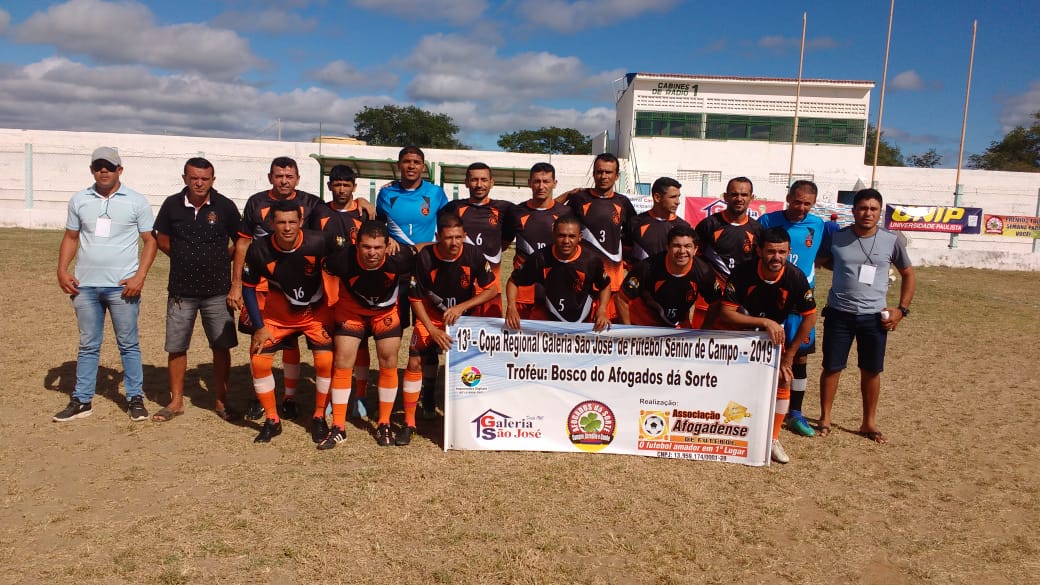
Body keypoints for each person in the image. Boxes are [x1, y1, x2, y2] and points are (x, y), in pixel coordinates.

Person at [54, 147, 158, 422]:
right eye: (98, 166)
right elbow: (71, 237)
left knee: (128, 344)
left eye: (109, 167)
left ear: (119, 170)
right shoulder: (79, 200)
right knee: (88, 345)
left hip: (122, 287)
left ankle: (135, 397)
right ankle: (82, 400)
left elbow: (151, 241)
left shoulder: (136, 201)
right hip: (85, 287)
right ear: (92, 170)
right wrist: (62, 270)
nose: (104, 171)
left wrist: (140, 276)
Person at [816, 189, 915, 444]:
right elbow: (822, 260)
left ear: (880, 211)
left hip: (874, 317)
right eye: (862, 208)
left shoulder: (892, 240)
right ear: (854, 210)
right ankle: (825, 418)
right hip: (839, 313)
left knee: (871, 370)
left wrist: (901, 310)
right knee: (831, 367)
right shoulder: (838, 238)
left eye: (873, 209)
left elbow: (908, 274)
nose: (867, 213)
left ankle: (868, 422)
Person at [231, 157, 325, 421]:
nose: (284, 180)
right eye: (279, 175)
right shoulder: (256, 202)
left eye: (289, 175)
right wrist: (236, 284)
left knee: (291, 340)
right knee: (259, 341)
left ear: (297, 178)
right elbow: (242, 245)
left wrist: (362, 202)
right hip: (260, 285)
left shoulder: (311, 203)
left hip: (295, 287)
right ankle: (260, 398)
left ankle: (290, 396)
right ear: (270, 177)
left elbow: (334, 218)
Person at [717, 227, 817, 464]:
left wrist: (789, 355)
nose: (776, 257)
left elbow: (810, 317)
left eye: (782, 252)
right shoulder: (742, 273)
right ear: (759, 251)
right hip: (742, 332)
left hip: (773, 338)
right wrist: (764, 321)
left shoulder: (795, 276)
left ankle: (772, 438)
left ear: (789, 251)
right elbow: (726, 314)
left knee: (784, 378)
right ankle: (729, 430)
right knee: (733, 380)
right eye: (771, 251)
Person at [152, 157, 241, 422]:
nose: (199, 183)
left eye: (205, 178)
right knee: (177, 347)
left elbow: (241, 240)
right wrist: (182, 258)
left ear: (213, 180)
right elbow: (161, 238)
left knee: (221, 346)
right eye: (194, 178)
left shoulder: (224, 206)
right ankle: (176, 401)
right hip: (181, 291)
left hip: (217, 291)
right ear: (185, 179)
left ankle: (221, 401)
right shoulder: (171, 205)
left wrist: (221, 259)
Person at [241, 200, 334, 443]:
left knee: (325, 362)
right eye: (281, 222)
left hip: (314, 315)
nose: (287, 227)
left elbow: (348, 258)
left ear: (301, 222)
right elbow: (249, 288)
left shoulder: (319, 241)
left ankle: (319, 416)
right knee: (259, 361)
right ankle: (272, 419)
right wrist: (259, 327)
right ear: (271, 223)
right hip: (277, 317)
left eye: (292, 221)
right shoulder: (259, 249)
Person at [405, 212, 499, 444]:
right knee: (416, 359)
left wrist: (463, 307)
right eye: (448, 238)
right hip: (432, 318)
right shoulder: (425, 257)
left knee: (470, 365)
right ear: (438, 236)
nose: (454, 243)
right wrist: (433, 330)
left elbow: (492, 290)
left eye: (458, 237)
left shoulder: (474, 255)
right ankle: (409, 422)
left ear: (464, 235)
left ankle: (468, 414)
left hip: (464, 319)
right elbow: (415, 299)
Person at [323, 221, 417, 448]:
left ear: (387, 245)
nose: (372, 253)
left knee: (388, 359)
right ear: (356, 244)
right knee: (343, 360)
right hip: (351, 310)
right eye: (366, 247)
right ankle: (338, 427)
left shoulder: (401, 257)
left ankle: (384, 423)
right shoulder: (341, 259)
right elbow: (324, 271)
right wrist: (331, 302)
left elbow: (423, 255)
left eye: (377, 247)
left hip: (385, 311)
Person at [757, 180, 825, 437]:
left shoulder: (818, 225)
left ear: (814, 203)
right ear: (788, 198)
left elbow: (824, 256)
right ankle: (761, 407)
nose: (801, 207)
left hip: (800, 301)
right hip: (770, 298)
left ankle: (795, 412)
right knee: (763, 350)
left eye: (807, 203)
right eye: (797, 201)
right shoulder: (767, 221)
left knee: (800, 356)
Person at [318, 164, 374, 418]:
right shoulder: (317, 212)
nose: (341, 189)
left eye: (346, 185)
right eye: (337, 184)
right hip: (325, 289)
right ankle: (333, 394)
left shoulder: (365, 214)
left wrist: (365, 202)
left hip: (356, 291)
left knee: (360, 344)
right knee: (332, 346)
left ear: (354, 186)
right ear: (330, 186)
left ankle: (360, 394)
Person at [505, 215, 611, 332]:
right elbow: (513, 281)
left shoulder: (591, 260)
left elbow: (605, 286)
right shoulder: (540, 258)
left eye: (571, 236)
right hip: (550, 325)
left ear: (580, 237)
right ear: (553, 235)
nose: (566, 241)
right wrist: (511, 307)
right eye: (561, 235)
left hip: (584, 325)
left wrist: (602, 310)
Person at [562, 153, 636, 320]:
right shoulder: (579, 199)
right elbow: (552, 215)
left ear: (616, 176)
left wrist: (625, 259)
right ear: (594, 173)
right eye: (599, 171)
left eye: (608, 172)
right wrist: (566, 195)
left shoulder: (623, 202)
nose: (603, 176)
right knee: (578, 330)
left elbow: (631, 236)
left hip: (612, 278)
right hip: (582, 274)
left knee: (608, 333)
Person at [442, 162, 514, 318]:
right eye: (474, 180)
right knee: (458, 338)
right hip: (461, 288)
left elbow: (538, 210)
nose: (479, 184)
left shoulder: (504, 209)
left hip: (491, 289)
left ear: (492, 182)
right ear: (466, 182)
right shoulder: (453, 208)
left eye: (484, 180)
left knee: (488, 338)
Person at [616, 225, 720, 328]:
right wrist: (627, 331)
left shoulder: (704, 271)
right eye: (676, 246)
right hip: (644, 324)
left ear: (695, 249)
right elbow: (621, 298)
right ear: (667, 247)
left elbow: (716, 303)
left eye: (687, 246)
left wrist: (705, 331)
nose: (682, 251)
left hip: (677, 326)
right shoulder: (647, 267)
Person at [507, 162, 573, 321]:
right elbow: (502, 244)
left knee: (556, 341)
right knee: (523, 342)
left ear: (554, 184)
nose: (541, 186)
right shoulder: (516, 212)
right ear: (529, 183)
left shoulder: (566, 213)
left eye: (546, 181)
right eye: (537, 181)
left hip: (557, 288)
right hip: (524, 291)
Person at [694, 176, 763, 328]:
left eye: (744, 195)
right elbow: (694, 260)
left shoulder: (757, 230)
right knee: (700, 343)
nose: (739, 198)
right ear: (725, 197)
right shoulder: (709, 225)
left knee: (737, 347)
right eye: (734, 194)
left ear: (751, 198)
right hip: (711, 298)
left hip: (740, 299)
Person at [376, 145, 449, 247]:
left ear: (423, 167)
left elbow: (447, 225)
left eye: (416, 162)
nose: (411, 166)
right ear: (398, 165)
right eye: (406, 161)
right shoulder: (386, 194)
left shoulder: (436, 192)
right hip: (397, 256)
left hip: (426, 256)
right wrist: (387, 238)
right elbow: (378, 225)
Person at [626, 176, 690, 263]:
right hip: (641, 276)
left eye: (678, 197)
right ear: (657, 197)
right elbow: (625, 254)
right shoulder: (635, 222)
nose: (677, 202)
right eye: (673, 197)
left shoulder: (684, 227)